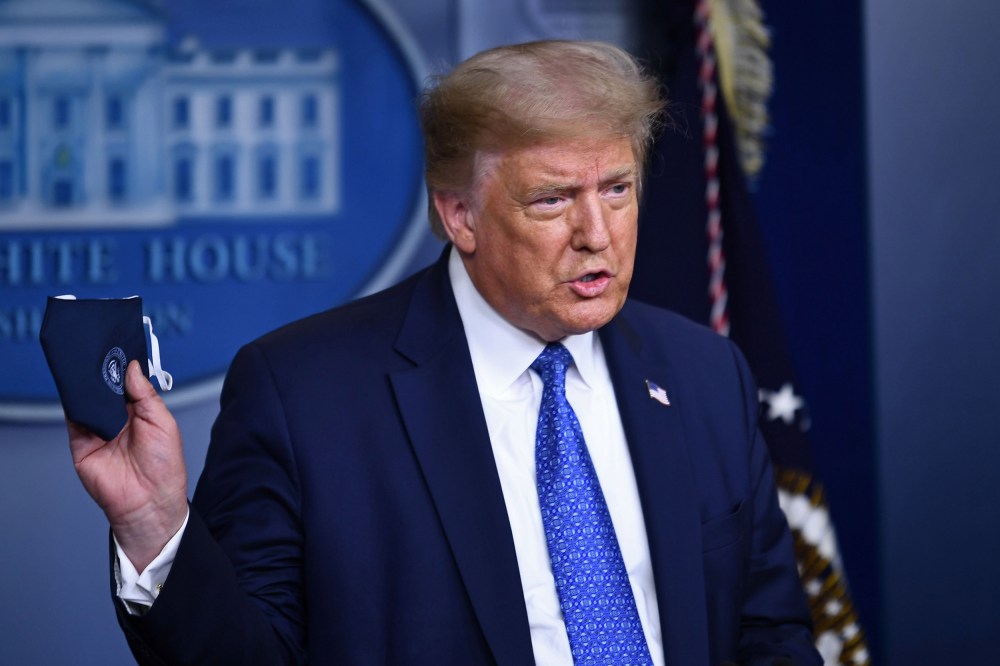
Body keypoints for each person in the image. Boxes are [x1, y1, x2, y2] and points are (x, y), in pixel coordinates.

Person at [67, 40, 820, 665]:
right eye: (554, 199)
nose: (599, 232)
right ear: (459, 213)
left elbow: (770, 637)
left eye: (618, 188)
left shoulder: (702, 373)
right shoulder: (303, 396)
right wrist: (156, 527)